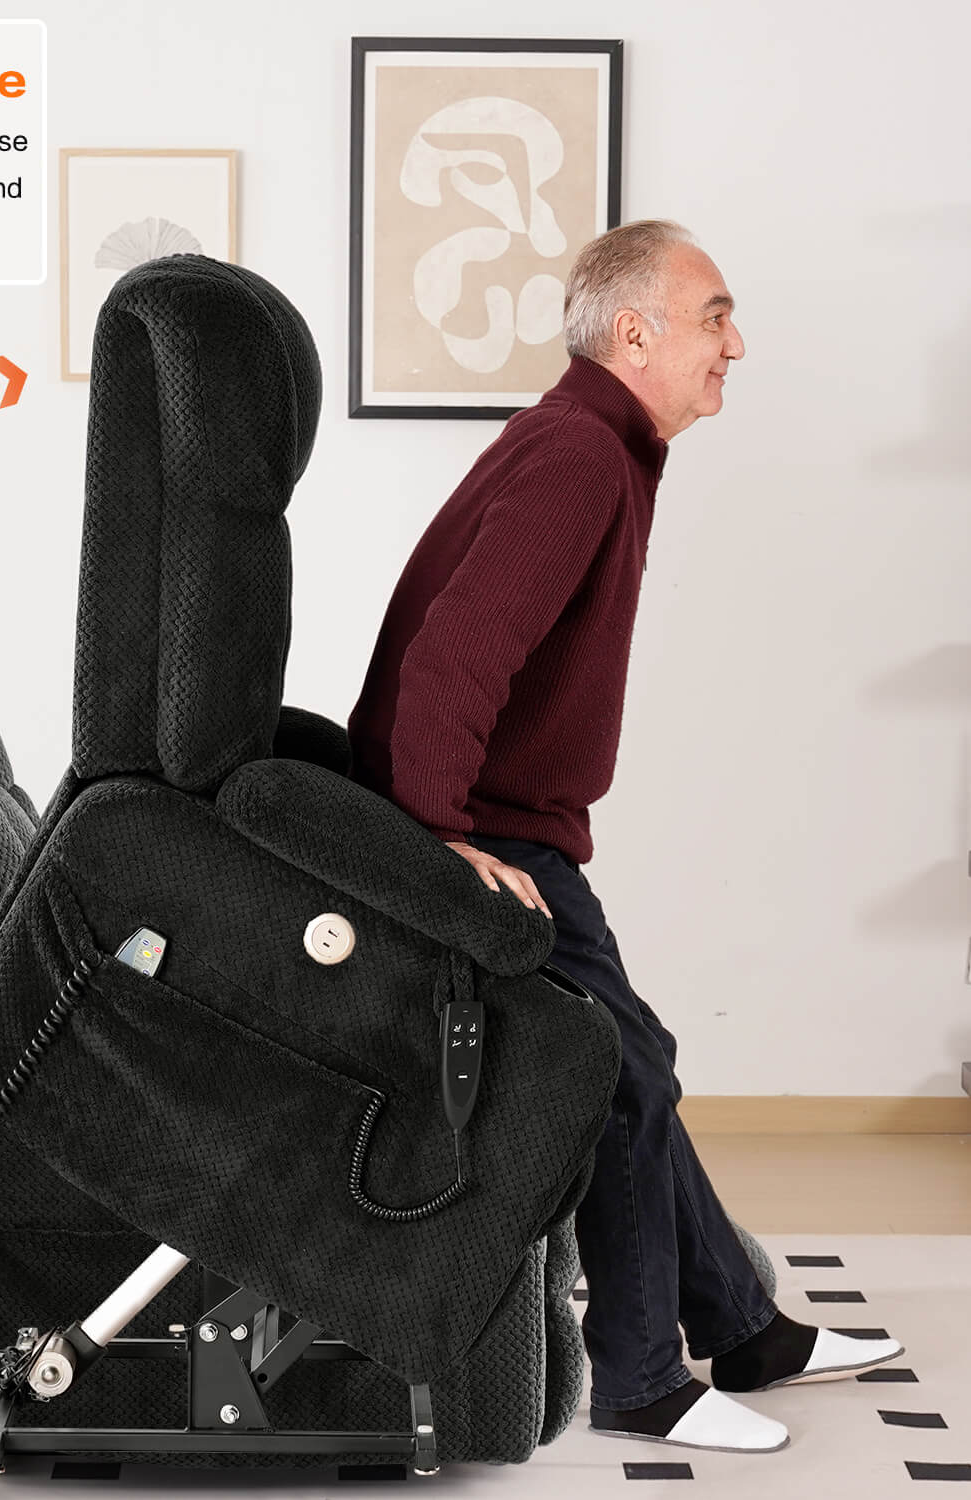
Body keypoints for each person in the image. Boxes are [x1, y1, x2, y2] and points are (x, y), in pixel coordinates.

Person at [345, 219, 904, 1454]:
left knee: (635, 1057)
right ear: (635, 334)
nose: (735, 346)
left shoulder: (593, 446)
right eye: (716, 318)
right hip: (491, 836)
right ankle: (644, 1381)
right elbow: (454, 656)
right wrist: (437, 840)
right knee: (617, 1069)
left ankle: (743, 1328)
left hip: (510, 826)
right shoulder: (578, 457)